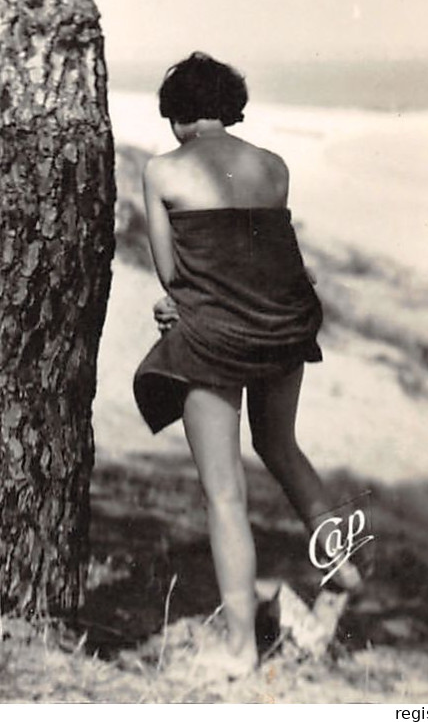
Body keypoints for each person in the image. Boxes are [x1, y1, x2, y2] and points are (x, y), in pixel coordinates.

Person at [134, 52, 362, 679]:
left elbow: (173, 272)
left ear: (179, 116)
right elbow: (257, 256)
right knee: (281, 444)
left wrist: (173, 302)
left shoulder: (162, 170)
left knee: (225, 492)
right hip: (284, 324)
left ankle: (238, 649)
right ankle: (344, 565)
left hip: (216, 335)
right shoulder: (274, 166)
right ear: (228, 109)